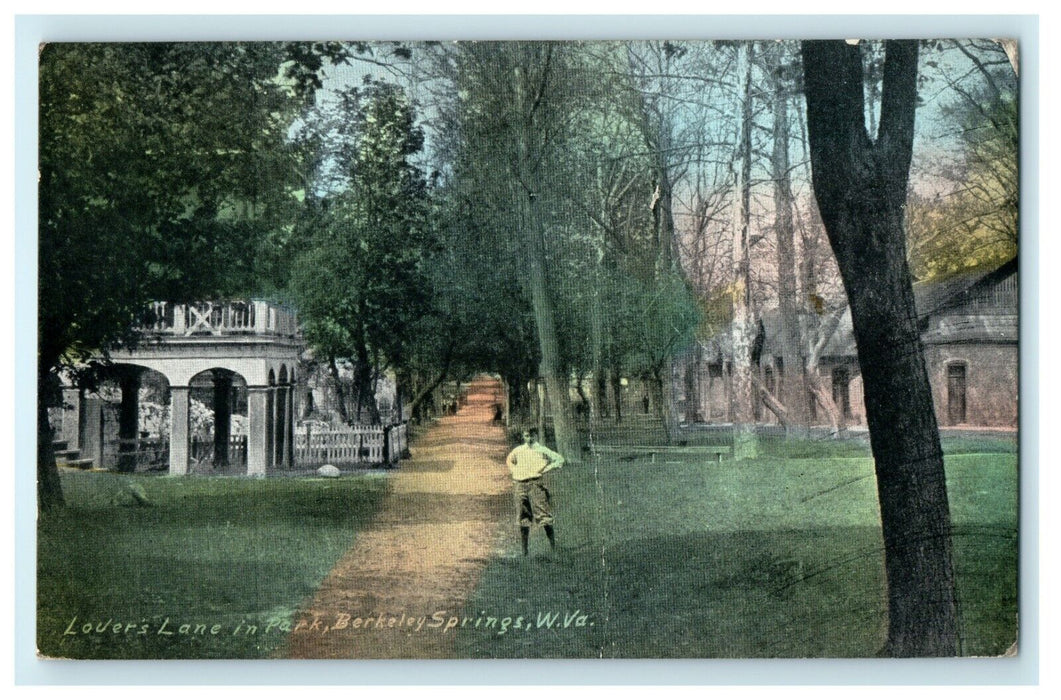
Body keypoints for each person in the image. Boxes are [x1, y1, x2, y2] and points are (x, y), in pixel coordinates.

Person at [505, 428, 564, 556]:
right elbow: (509, 460)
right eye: (526, 435)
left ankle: (554, 548)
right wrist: (515, 471)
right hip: (520, 484)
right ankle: (524, 552)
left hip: (536, 484)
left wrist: (545, 469)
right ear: (523, 436)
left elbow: (559, 459)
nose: (529, 438)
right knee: (523, 516)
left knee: (544, 515)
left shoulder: (541, 449)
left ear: (535, 435)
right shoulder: (519, 450)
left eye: (531, 436)